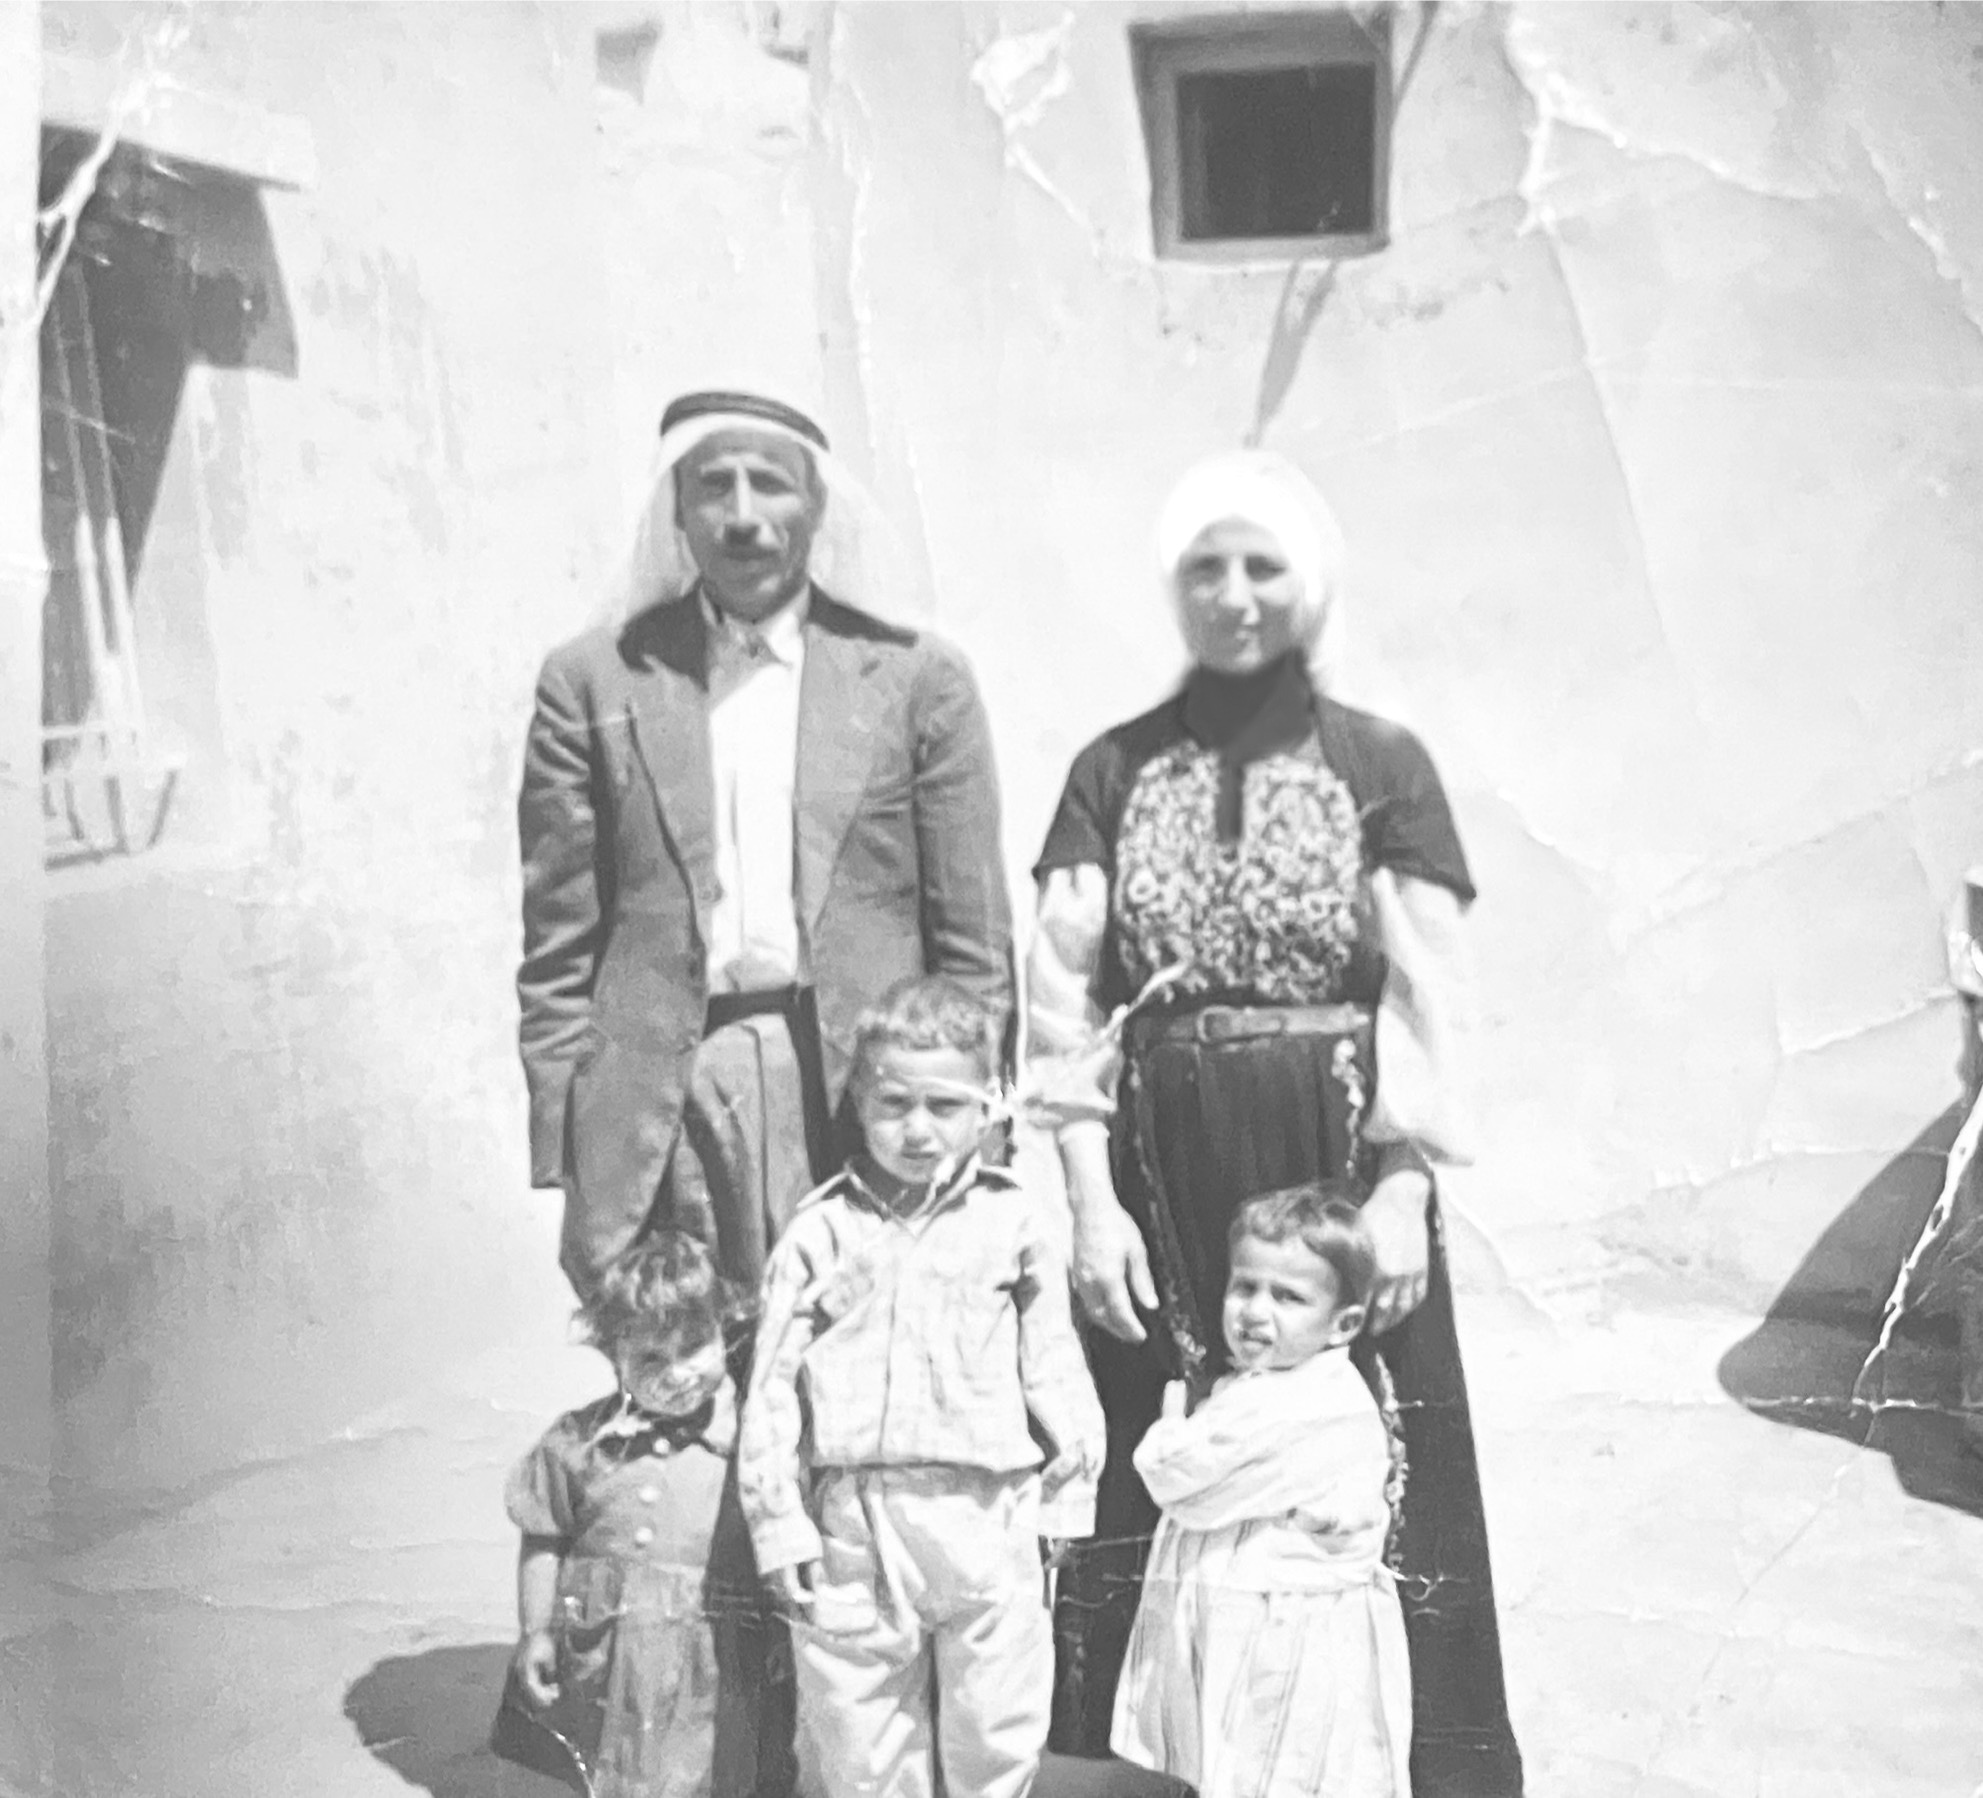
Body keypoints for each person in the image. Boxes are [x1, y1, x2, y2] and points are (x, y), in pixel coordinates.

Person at [1026, 448, 1523, 1796]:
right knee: (1160, 1433)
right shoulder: (1111, 767)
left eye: (1261, 567)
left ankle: (1397, 1763)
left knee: (1367, 1442)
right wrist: (1086, 1192)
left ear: (1306, 585)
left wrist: (1405, 1185)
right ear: (1171, 588)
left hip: (1334, 1154)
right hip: (1161, 1166)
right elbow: (1063, 999)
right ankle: (1148, 1758)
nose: (1232, 594)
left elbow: (1429, 987)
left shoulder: (1378, 760)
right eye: (1205, 567)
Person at [517, 388, 1013, 1299]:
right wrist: (566, 1137)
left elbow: (973, 940)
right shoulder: (592, 682)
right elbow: (557, 946)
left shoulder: (915, 680)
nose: (743, 518)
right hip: (667, 1096)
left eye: (770, 486)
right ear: (677, 510)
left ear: (816, 507)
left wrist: (979, 1117)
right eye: (714, 487)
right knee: (688, 1384)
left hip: (854, 1087)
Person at [738, 976, 1106, 1798]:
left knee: (996, 1736)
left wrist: (1065, 1498)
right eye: (893, 1104)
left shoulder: (1012, 1223)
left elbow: (1053, 1367)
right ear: (859, 1104)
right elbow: (768, 1392)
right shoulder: (820, 1231)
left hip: (989, 1516)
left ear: (986, 1111)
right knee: (856, 1746)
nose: (916, 1129)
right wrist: (779, 1526)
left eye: (944, 1106)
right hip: (856, 1526)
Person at [1113, 1181, 1411, 1798]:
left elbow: (1180, 1481)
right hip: (1237, 1631)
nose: (1255, 1310)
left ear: (1343, 1323)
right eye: (1244, 1286)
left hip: (1281, 1644)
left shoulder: (1314, 1405)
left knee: (1278, 1775)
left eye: (1288, 1297)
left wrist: (1172, 1424)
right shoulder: (1263, 1388)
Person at [499, 1230, 792, 1798]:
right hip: (606, 1656)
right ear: (615, 1354)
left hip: (714, 1660)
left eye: (693, 1348)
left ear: (724, 1334)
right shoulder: (580, 1444)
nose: (677, 1372)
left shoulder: (754, 1448)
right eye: (651, 1357)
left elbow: (778, 1545)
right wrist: (534, 1632)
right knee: (611, 1772)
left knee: (715, 1772)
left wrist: (782, 1629)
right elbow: (543, 1539)